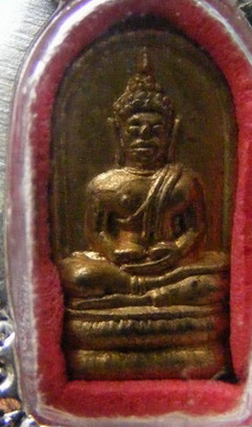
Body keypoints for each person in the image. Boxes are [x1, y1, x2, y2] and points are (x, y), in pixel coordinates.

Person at [59, 50, 231, 381]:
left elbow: (196, 229)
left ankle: (151, 294)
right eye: (134, 129)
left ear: (170, 134)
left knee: (216, 276)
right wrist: (113, 253)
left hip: (173, 271)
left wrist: (177, 250)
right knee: (77, 274)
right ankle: (146, 293)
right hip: (119, 271)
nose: (144, 138)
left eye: (154, 130)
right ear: (118, 133)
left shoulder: (184, 181)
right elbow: (97, 233)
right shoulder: (104, 184)